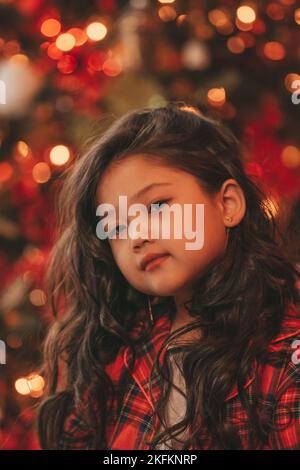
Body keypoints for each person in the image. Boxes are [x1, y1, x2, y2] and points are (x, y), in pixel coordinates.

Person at [37, 103, 300, 450]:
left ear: (228, 205)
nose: (137, 237)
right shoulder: (118, 346)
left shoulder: (284, 353)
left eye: (157, 207)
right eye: (116, 227)